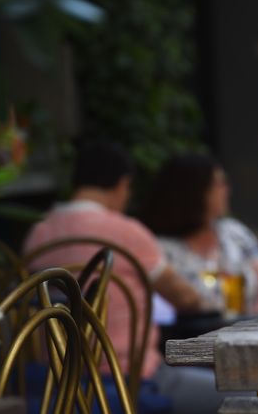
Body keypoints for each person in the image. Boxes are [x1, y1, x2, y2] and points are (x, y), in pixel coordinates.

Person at [22, 140, 227, 414]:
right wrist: (209, 303)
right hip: (130, 380)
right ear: (123, 184)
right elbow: (185, 297)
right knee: (250, 392)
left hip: (58, 384)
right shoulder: (126, 232)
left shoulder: (39, 233)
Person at [141, 153, 258, 330]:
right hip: (194, 341)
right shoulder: (160, 248)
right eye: (219, 183)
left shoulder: (233, 231)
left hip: (251, 331)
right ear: (195, 192)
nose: (227, 189)